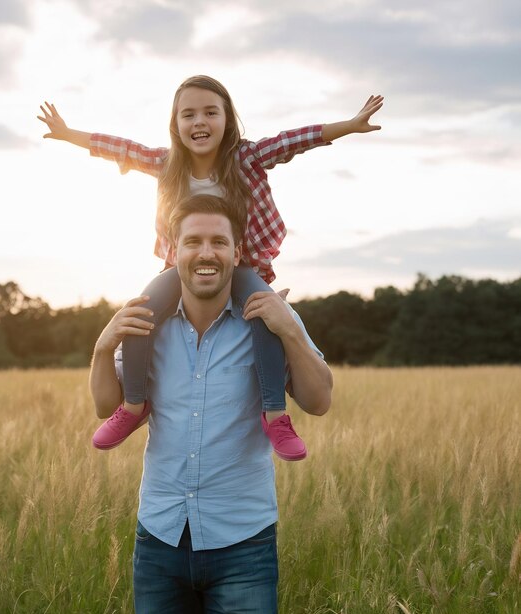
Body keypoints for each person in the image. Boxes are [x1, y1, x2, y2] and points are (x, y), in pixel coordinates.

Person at [39, 75, 380, 460]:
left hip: (242, 263)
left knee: (265, 314)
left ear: (226, 120)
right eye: (188, 114)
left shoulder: (246, 158)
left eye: (210, 113)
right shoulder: (167, 163)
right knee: (140, 310)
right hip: (181, 267)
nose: (199, 122)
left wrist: (350, 126)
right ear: (176, 125)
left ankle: (274, 414)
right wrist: (68, 135)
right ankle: (134, 404)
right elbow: (123, 147)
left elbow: (293, 140)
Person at [89, 194, 333, 614]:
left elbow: (318, 402)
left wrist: (291, 330)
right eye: (193, 241)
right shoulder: (147, 326)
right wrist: (102, 348)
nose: (206, 253)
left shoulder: (270, 320)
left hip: (243, 546)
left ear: (237, 252)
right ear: (173, 252)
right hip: (159, 540)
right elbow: (105, 405)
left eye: (219, 242)